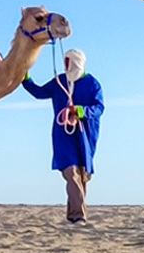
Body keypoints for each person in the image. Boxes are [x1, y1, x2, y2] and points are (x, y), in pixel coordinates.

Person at [22, 49, 104, 225]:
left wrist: (80, 111)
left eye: (68, 61)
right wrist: (24, 76)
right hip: (63, 135)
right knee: (71, 172)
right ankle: (79, 216)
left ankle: (72, 215)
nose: (65, 64)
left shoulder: (92, 83)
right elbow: (39, 92)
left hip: (85, 136)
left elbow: (99, 108)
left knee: (82, 176)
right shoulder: (59, 81)